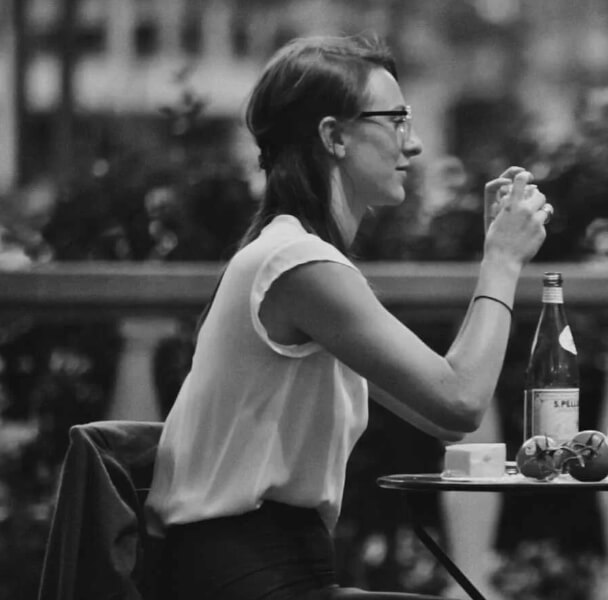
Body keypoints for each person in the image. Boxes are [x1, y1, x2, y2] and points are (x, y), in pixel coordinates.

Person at [146, 34, 552, 600]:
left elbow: (440, 416)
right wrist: (502, 261)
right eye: (396, 121)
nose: (414, 144)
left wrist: (497, 257)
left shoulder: (293, 253)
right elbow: (460, 401)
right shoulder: (297, 263)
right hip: (245, 577)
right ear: (333, 136)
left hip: (262, 569)